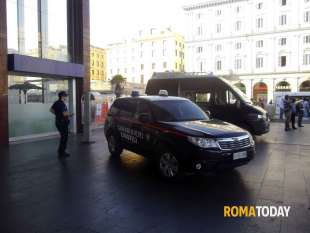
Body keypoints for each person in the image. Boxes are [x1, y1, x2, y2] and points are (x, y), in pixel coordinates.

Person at [50, 91, 73, 158]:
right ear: (62, 96)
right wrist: (70, 114)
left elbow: (51, 110)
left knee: (63, 137)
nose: (66, 97)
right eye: (65, 96)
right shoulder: (62, 104)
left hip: (58, 122)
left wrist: (57, 114)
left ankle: (61, 151)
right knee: (64, 137)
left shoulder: (56, 103)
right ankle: (62, 152)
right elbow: (64, 114)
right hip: (62, 123)